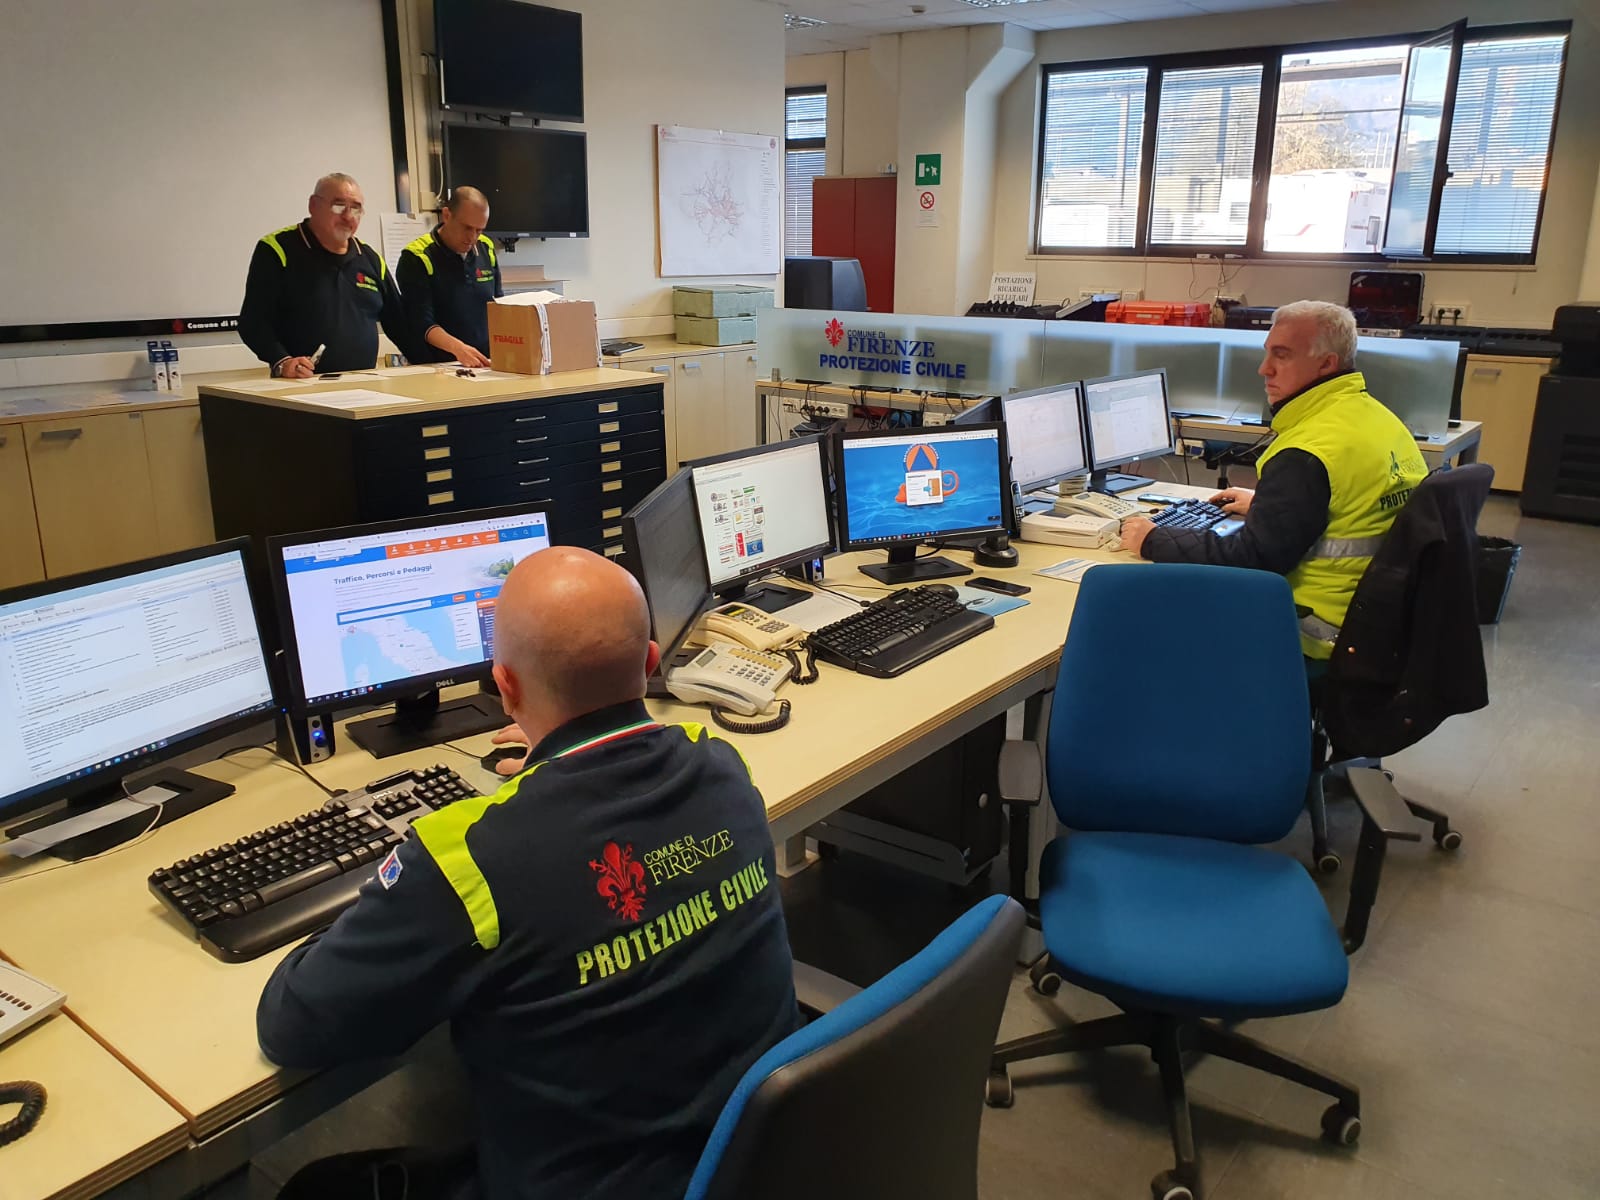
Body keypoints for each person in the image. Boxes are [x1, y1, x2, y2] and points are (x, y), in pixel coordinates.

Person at [256, 547, 799, 1200]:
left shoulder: (467, 857)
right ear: (651, 663)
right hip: (753, 1159)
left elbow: (292, 1025)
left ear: (505, 686)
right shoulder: (721, 764)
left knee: (316, 1186)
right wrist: (551, 772)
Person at [1120, 301, 1427, 660]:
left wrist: (1154, 539)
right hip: (1378, 622)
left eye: (1282, 356)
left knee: (1148, 621)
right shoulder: (1378, 419)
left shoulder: (1307, 451)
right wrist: (1268, 506)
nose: (1264, 369)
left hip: (1315, 634)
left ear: (1326, 364)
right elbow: (1351, 508)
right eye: (1267, 353)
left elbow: (1253, 558)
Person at [239, 173, 409, 377]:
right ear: (313, 205)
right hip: (302, 384)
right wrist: (282, 361)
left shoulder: (369, 258)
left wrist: (434, 363)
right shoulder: (277, 250)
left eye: (356, 208)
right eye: (339, 206)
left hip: (364, 384)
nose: (348, 216)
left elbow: (401, 325)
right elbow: (253, 323)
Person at [396, 186, 503, 368]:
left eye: (479, 230)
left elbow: (499, 306)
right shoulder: (417, 256)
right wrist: (458, 349)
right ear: (446, 215)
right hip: (439, 367)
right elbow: (421, 322)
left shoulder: (486, 247)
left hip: (485, 364)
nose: (472, 237)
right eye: (467, 228)